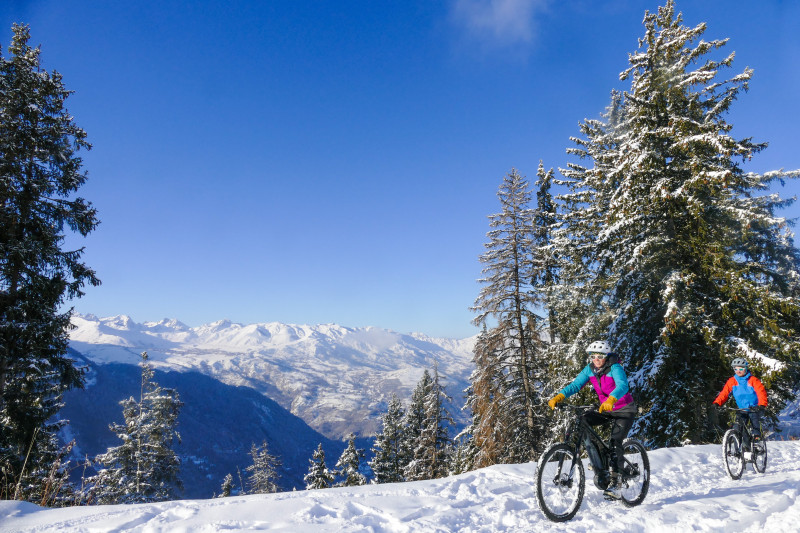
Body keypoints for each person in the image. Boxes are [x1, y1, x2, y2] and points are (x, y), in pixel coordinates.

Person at [547, 340, 636, 500]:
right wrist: (560, 396)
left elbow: (623, 385)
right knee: (583, 421)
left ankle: (616, 484)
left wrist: (612, 399)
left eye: (600, 356)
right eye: (593, 356)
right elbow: (575, 385)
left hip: (624, 410)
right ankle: (598, 460)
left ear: (606, 356)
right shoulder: (590, 370)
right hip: (605, 409)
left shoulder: (615, 368)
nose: (596, 359)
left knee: (615, 442)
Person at [712, 357, 767, 446]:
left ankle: (757, 442)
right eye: (736, 369)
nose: (738, 371)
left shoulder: (753, 380)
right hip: (742, 409)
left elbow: (761, 392)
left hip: (755, 408)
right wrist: (717, 402)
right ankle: (743, 447)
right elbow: (724, 393)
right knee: (738, 426)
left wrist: (762, 405)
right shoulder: (732, 381)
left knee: (754, 422)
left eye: (741, 369)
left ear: (745, 368)